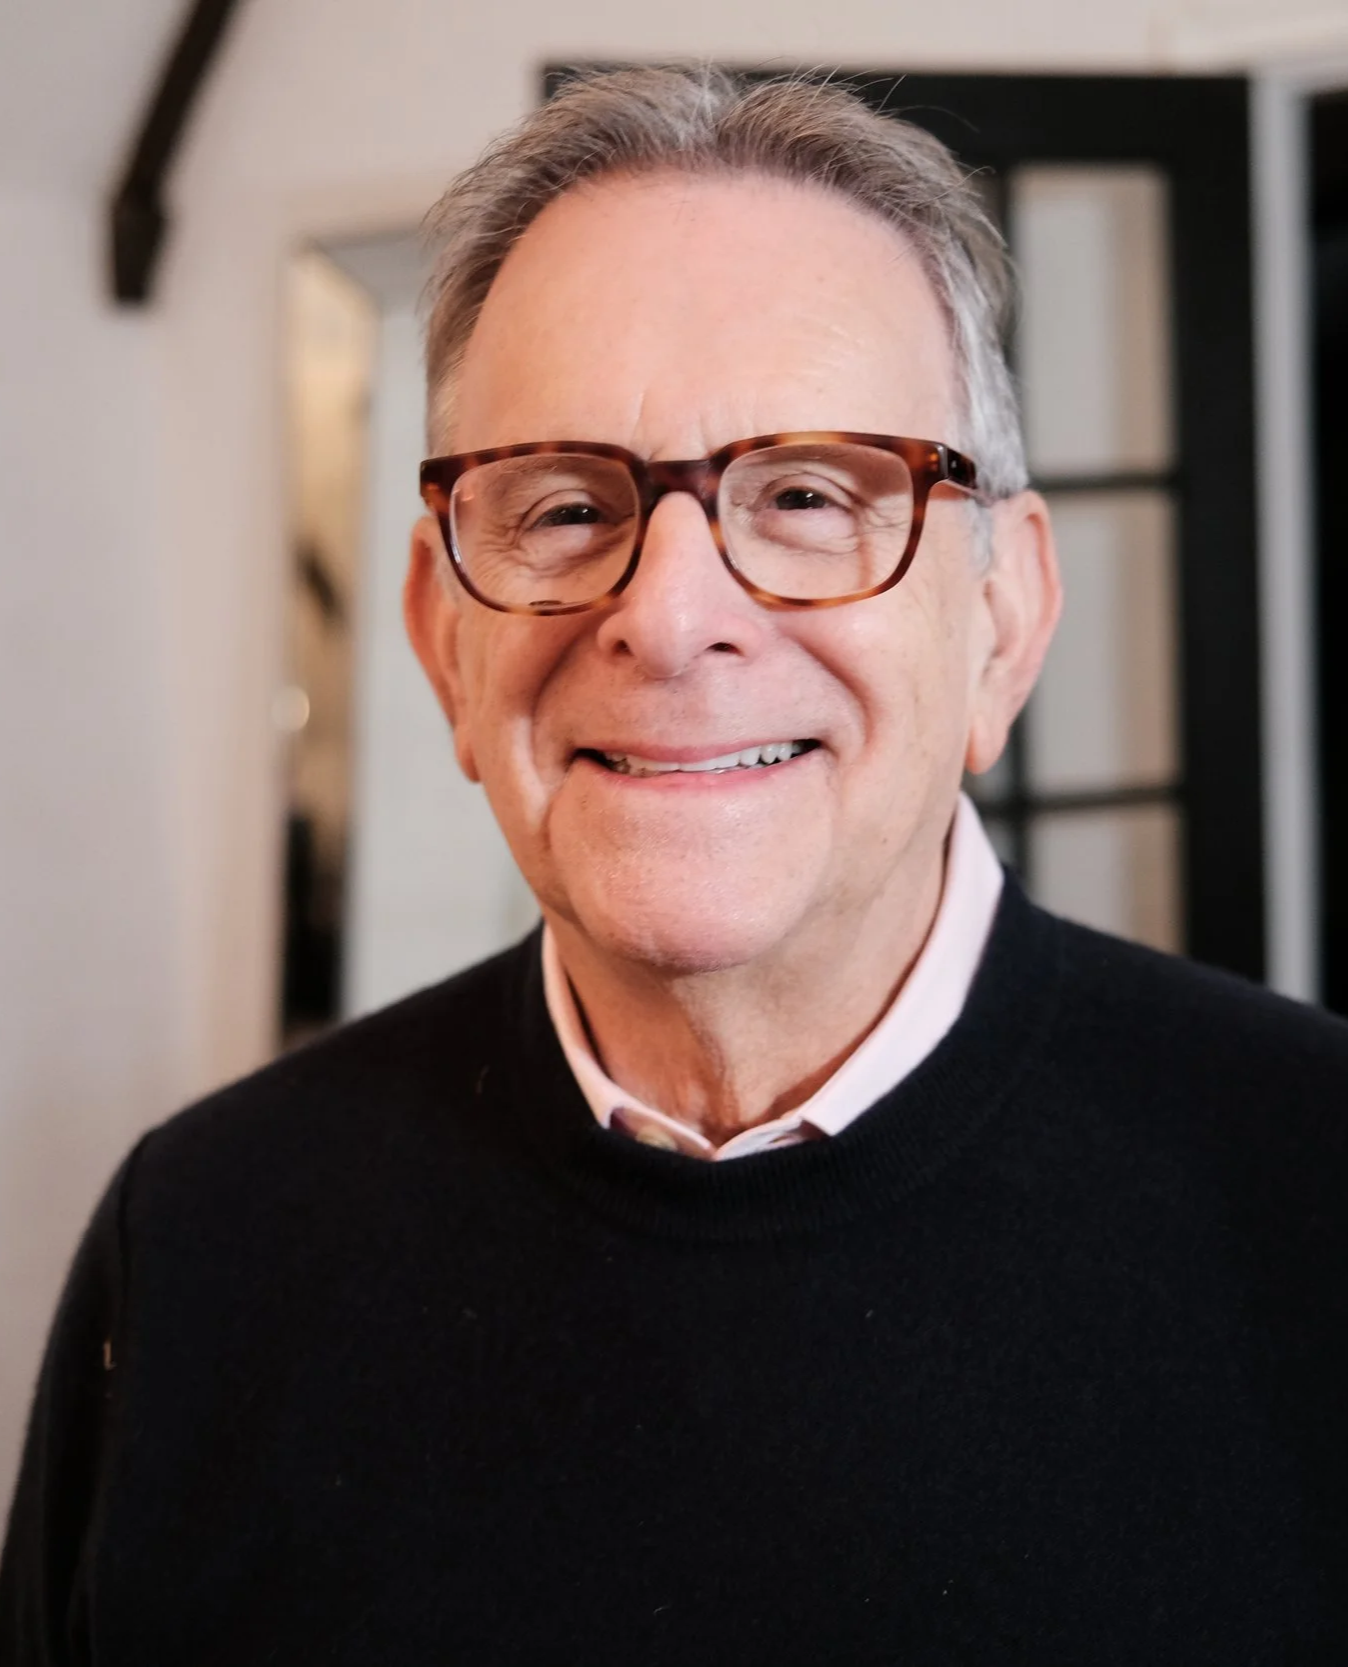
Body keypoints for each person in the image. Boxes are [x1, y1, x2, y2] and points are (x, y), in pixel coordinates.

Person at [3, 64, 1347, 1666]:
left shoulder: (1316, 1189)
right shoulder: (200, 1243)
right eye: (568, 506)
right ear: (441, 640)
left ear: (1001, 621)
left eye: (808, 494)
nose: (668, 614)